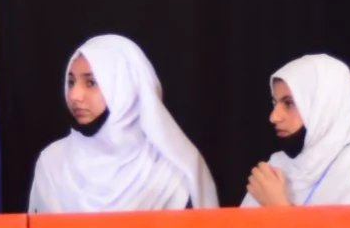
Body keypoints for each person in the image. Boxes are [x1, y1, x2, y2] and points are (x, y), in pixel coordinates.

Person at [30, 35, 220, 212]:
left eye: (91, 83)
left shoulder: (174, 171)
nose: (74, 95)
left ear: (126, 89)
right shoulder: (53, 163)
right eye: (71, 82)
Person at [241, 54, 350, 207]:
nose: (274, 117)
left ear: (325, 107)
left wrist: (281, 210)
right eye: (275, 103)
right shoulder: (279, 167)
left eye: (289, 104)